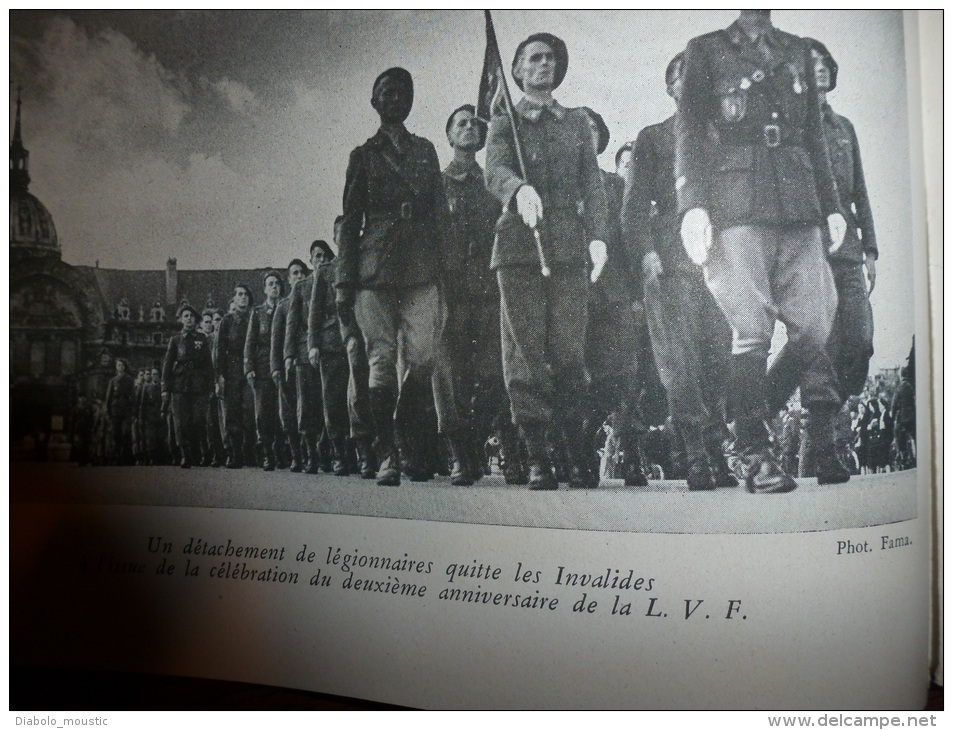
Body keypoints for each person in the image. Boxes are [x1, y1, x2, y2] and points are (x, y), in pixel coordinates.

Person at [675, 10, 848, 493]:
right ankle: (754, 451)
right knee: (751, 328)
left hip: (799, 200)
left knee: (815, 324)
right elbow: (688, 132)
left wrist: (833, 206)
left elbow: (814, 134)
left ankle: (742, 416)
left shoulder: (798, 49)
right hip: (736, 203)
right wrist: (692, 205)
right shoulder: (705, 49)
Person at [484, 33, 608, 490]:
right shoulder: (504, 122)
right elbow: (493, 169)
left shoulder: (575, 122)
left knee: (571, 353)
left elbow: (592, 186)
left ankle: (575, 449)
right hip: (519, 246)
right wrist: (517, 189)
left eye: (550, 58)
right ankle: (537, 453)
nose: (543, 64)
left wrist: (598, 238)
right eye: (533, 58)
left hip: (569, 246)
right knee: (527, 353)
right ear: (516, 71)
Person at [336, 67, 465, 486]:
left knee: (424, 358)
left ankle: (401, 429)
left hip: (420, 265)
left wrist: (451, 270)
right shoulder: (362, 155)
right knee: (380, 361)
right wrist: (343, 283)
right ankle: (387, 451)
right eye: (387, 92)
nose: (396, 98)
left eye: (403, 92)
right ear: (375, 102)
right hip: (373, 270)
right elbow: (350, 223)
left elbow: (441, 217)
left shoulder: (425, 151)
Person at [622, 52, 735, 491]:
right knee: (679, 363)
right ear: (670, 88)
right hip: (670, 261)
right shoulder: (653, 139)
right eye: (683, 78)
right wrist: (645, 254)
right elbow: (634, 208)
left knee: (719, 358)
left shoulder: (726, 136)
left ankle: (713, 445)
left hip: (721, 259)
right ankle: (695, 455)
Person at [440, 103, 516, 485]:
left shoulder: (493, 185)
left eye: (475, 124)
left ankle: (472, 445)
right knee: (454, 378)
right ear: (450, 135)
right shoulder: (438, 186)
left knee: (491, 377)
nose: (470, 128)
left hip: (488, 294)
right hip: (450, 295)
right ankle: (460, 455)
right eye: (461, 124)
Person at [580, 105, 648, 488]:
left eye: (593, 128)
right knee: (574, 377)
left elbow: (632, 240)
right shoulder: (556, 188)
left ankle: (631, 455)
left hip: (616, 297)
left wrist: (637, 294)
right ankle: (578, 450)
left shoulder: (617, 186)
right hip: (570, 298)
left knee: (624, 376)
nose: (586, 134)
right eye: (579, 128)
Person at [307, 240, 352, 476]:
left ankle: (357, 451)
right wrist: (313, 345)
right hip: (332, 343)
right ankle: (338, 453)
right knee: (333, 400)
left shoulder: (355, 261)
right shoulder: (325, 272)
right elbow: (314, 312)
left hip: (354, 340)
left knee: (355, 398)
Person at [285, 243, 330, 474]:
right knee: (307, 406)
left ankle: (326, 451)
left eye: (324, 256)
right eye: (317, 256)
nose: (321, 260)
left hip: (330, 350)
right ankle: (311, 454)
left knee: (329, 403)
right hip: (304, 354)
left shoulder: (331, 283)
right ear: (311, 260)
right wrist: (289, 355)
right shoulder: (302, 287)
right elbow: (292, 324)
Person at [161, 303, 215, 468]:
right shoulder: (176, 340)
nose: (189, 319)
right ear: (180, 319)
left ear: (196, 319)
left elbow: (208, 365)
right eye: (185, 316)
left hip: (199, 385)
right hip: (180, 385)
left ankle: (200, 452)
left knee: (199, 420)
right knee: (181, 422)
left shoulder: (202, 339)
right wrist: (165, 389)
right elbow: (167, 364)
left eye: (191, 316)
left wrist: (211, 387)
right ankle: (185, 455)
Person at [271, 259, 309, 472]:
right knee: (289, 412)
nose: (299, 276)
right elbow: (276, 341)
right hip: (288, 367)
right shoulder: (283, 307)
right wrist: (275, 367)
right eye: (294, 273)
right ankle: (296, 455)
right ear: (289, 278)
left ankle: (312, 454)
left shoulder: (312, 301)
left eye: (302, 272)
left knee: (308, 410)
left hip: (306, 364)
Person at [245, 270, 284, 471]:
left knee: (282, 411)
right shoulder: (257, 313)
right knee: (263, 413)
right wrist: (249, 367)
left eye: (277, 283)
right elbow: (250, 343)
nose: (274, 287)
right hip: (261, 368)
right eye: (270, 284)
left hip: (282, 368)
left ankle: (282, 453)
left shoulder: (286, 308)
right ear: (264, 288)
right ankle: (267, 453)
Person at [216, 284, 256, 468]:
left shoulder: (253, 319)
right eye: (239, 294)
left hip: (249, 370)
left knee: (249, 411)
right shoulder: (227, 321)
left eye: (246, 295)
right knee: (232, 413)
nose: (243, 298)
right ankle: (234, 453)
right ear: (233, 299)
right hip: (231, 372)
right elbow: (219, 350)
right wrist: (220, 376)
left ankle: (250, 452)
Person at [104, 357, 135, 465]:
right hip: (115, 410)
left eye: (122, 365)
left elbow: (133, 396)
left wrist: (132, 409)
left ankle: (126, 457)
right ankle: (116, 456)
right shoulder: (113, 381)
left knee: (126, 432)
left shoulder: (130, 379)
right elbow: (109, 397)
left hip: (126, 410)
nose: (120, 367)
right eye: (118, 365)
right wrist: (107, 410)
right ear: (116, 367)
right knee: (115, 434)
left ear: (125, 367)